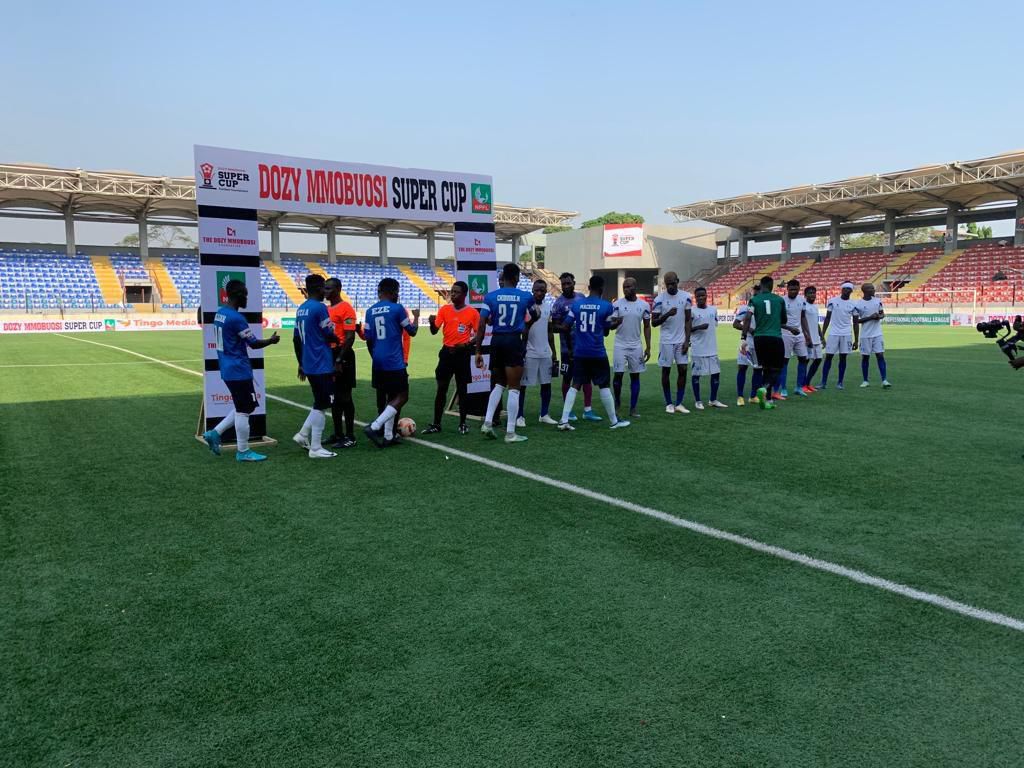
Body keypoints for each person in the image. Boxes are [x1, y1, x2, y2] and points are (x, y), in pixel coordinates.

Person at [203, 279, 281, 462]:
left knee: (243, 406)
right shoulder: (236, 318)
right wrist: (271, 341)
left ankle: (215, 433)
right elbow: (253, 344)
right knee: (245, 409)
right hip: (238, 368)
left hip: (227, 367)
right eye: (245, 294)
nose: (247, 298)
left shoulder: (220, 313)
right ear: (238, 296)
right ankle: (243, 451)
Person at [556, 274, 630, 431]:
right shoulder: (606, 306)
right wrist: (616, 323)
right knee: (603, 386)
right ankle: (614, 421)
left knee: (575, 385)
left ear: (589, 288)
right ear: (602, 289)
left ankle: (563, 420)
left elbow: (566, 326)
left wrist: (550, 326)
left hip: (580, 352)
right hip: (597, 352)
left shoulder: (577, 305)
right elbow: (607, 329)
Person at [474, 263, 537, 443]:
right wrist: (525, 326)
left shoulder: (490, 297)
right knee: (515, 387)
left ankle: (487, 423)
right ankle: (510, 433)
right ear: (517, 277)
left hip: (496, 340)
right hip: (512, 340)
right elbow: (535, 315)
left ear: (503, 277)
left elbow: (482, 324)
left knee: (499, 383)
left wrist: (478, 350)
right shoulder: (525, 296)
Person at [363, 278, 419, 447]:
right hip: (394, 361)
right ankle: (374, 426)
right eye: (397, 292)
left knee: (390, 397)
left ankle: (388, 436)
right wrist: (416, 317)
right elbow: (412, 331)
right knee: (402, 396)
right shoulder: (397, 309)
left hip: (377, 360)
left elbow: (368, 338)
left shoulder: (370, 311)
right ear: (394, 292)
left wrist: (375, 355)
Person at [421, 281, 480, 435]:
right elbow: (434, 331)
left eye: (456, 292)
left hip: (462, 354)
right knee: (441, 388)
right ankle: (436, 423)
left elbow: (479, 334)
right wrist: (432, 323)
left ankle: (463, 423)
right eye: (452, 292)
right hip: (447, 353)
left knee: (462, 389)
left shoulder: (472, 313)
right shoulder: (444, 310)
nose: (452, 294)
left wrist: (467, 344)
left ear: (465, 295)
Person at [293, 274, 342, 458]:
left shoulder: (301, 309)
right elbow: (329, 333)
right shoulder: (320, 308)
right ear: (319, 289)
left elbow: (296, 339)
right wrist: (336, 340)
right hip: (321, 362)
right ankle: (315, 447)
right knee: (324, 403)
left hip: (309, 363)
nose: (325, 292)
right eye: (323, 288)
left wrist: (300, 363)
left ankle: (303, 435)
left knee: (319, 402)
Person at [550, 272, 600, 421]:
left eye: (568, 283)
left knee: (586, 378)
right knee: (567, 378)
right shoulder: (558, 303)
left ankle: (588, 410)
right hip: (566, 349)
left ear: (573, 283)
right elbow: (553, 327)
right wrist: (564, 327)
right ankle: (568, 411)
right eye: (563, 284)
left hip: (583, 347)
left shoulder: (581, 298)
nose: (566, 286)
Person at [740, 275, 786, 410]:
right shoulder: (779, 300)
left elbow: (747, 318)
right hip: (775, 337)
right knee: (777, 367)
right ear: (772, 286)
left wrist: (743, 337)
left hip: (759, 338)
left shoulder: (754, 300)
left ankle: (768, 400)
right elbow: (783, 320)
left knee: (765, 368)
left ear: (761, 285)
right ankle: (764, 389)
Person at [652, 271, 693, 414]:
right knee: (666, 371)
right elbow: (654, 323)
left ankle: (679, 403)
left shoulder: (686, 297)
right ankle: (669, 403)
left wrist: (687, 340)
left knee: (683, 370)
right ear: (664, 284)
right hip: (666, 341)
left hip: (681, 340)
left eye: (673, 283)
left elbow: (688, 320)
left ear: (678, 281)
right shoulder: (659, 299)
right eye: (667, 284)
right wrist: (667, 314)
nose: (670, 286)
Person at [518, 278, 558, 426]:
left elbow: (550, 332)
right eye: (536, 290)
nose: (539, 293)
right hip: (530, 352)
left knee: (546, 384)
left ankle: (544, 414)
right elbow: (523, 330)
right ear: (532, 291)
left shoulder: (548, 308)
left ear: (546, 292)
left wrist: (553, 352)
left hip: (545, 353)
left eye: (542, 290)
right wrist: (522, 350)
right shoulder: (527, 308)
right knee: (523, 385)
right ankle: (520, 416)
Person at [324, 277, 358, 449]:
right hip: (330, 354)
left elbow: (350, 337)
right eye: (324, 288)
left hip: (343, 355)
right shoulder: (327, 309)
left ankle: (350, 435)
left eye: (329, 288)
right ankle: (338, 434)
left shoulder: (346, 309)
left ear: (338, 289)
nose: (325, 291)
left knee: (345, 397)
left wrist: (339, 359)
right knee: (334, 398)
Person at [611, 276, 652, 418]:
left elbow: (647, 327)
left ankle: (633, 408)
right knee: (618, 375)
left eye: (629, 287)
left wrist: (648, 347)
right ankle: (617, 403)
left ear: (635, 287)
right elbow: (611, 325)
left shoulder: (644, 306)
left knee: (635, 376)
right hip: (620, 345)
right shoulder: (617, 305)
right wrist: (615, 322)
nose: (626, 289)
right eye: (624, 287)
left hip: (636, 346)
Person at [689, 286, 727, 410]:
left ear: (706, 296)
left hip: (712, 348)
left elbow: (714, 325)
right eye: (698, 296)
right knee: (696, 375)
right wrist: (698, 327)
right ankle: (698, 401)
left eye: (703, 295)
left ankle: (713, 399)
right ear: (695, 298)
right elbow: (686, 329)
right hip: (697, 348)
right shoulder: (692, 311)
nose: (701, 298)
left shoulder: (713, 310)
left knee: (716, 374)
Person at [819, 281, 857, 390]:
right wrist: (822, 334)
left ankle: (840, 382)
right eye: (845, 288)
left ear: (851, 290)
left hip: (846, 334)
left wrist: (856, 339)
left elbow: (855, 322)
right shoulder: (833, 301)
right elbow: (827, 318)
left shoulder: (853, 304)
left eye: (849, 289)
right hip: (833, 333)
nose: (846, 290)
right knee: (828, 357)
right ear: (841, 289)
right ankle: (823, 382)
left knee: (843, 358)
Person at [854, 282, 891, 388]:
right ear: (864, 290)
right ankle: (865, 380)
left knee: (880, 355)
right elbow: (857, 321)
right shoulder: (858, 304)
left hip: (877, 333)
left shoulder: (877, 301)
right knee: (865, 357)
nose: (873, 290)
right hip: (865, 335)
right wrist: (871, 317)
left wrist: (879, 316)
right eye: (871, 288)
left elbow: (882, 314)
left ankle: (884, 380)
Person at [779, 278, 812, 399]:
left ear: (799, 289)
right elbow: (778, 320)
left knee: (803, 359)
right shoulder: (782, 301)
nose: (793, 291)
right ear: (787, 289)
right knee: (784, 361)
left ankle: (799, 387)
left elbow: (803, 318)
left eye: (796, 289)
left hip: (799, 334)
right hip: (786, 334)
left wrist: (807, 335)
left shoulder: (802, 301)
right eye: (791, 289)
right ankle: (783, 388)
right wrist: (789, 328)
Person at [733, 283, 763, 406]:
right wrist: (750, 330)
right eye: (754, 292)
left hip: (760, 343)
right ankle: (740, 396)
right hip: (747, 342)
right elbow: (735, 324)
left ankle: (753, 396)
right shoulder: (745, 308)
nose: (755, 294)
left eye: (758, 291)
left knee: (758, 369)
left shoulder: (764, 309)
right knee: (742, 367)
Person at [802, 285, 823, 393]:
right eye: (810, 293)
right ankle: (803, 385)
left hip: (816, 338)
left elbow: (816, 323)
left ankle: (807, 382)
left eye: (814, 293)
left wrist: (822, 336)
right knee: (805, 361)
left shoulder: (815, 307)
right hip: (807, 338)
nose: (812, 295)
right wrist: (806, 336)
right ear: (805, 295)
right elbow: (802, 321)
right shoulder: (803, 305)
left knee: (818, 359)